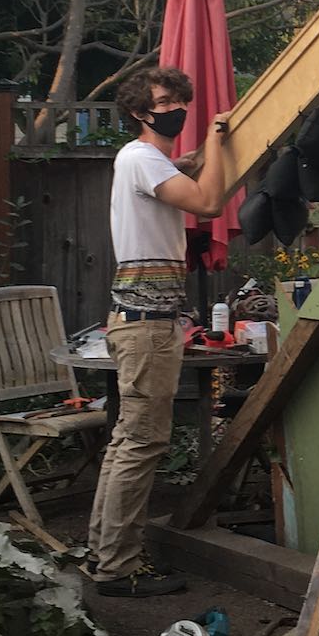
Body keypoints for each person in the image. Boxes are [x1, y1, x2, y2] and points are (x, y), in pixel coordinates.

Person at [86, 64, 232, 596]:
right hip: (147, 329)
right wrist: (216, 142)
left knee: (128, 442)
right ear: (137, 112)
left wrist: (195, 157)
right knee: (143, 444)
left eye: (178, 99)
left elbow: (182, 174)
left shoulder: (150, 162)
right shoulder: (140, 156)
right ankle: (117, 570)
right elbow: (209, 202)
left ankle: (103, 555)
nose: (176, 108)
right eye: (164, 101)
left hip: (145, 323)